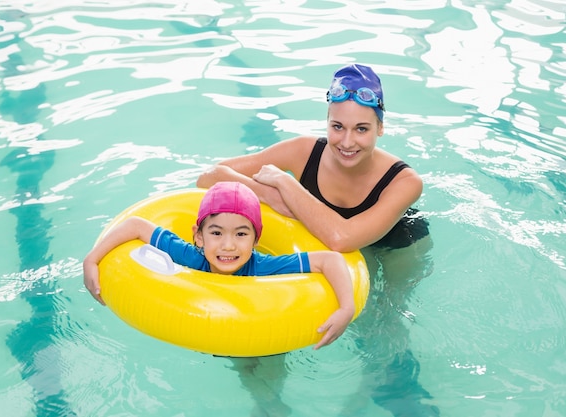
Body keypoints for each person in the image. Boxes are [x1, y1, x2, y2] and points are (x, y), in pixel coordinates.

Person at [197, 64, 436, 416]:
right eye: (337, 126)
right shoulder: (303, 151)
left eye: (362, 129)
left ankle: (363, 399)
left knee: (381, 327)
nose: (347, 141)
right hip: (326, 239)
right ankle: (268, 401)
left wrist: (288, 186)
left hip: (395, 247)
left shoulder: (405, 181)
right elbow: (210, 176)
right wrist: (270, 194)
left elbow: (342, 238)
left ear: (381, 129)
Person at [83, 181, 356, 350]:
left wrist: (346, 308)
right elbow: (136, 225)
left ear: (255, 240)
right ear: (198, 236)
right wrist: (92, 259)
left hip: (262, 331)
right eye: (216, 233)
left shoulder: (263, 267)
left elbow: (330, 259)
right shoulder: (191, 256)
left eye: (241, 234)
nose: (228, 246)